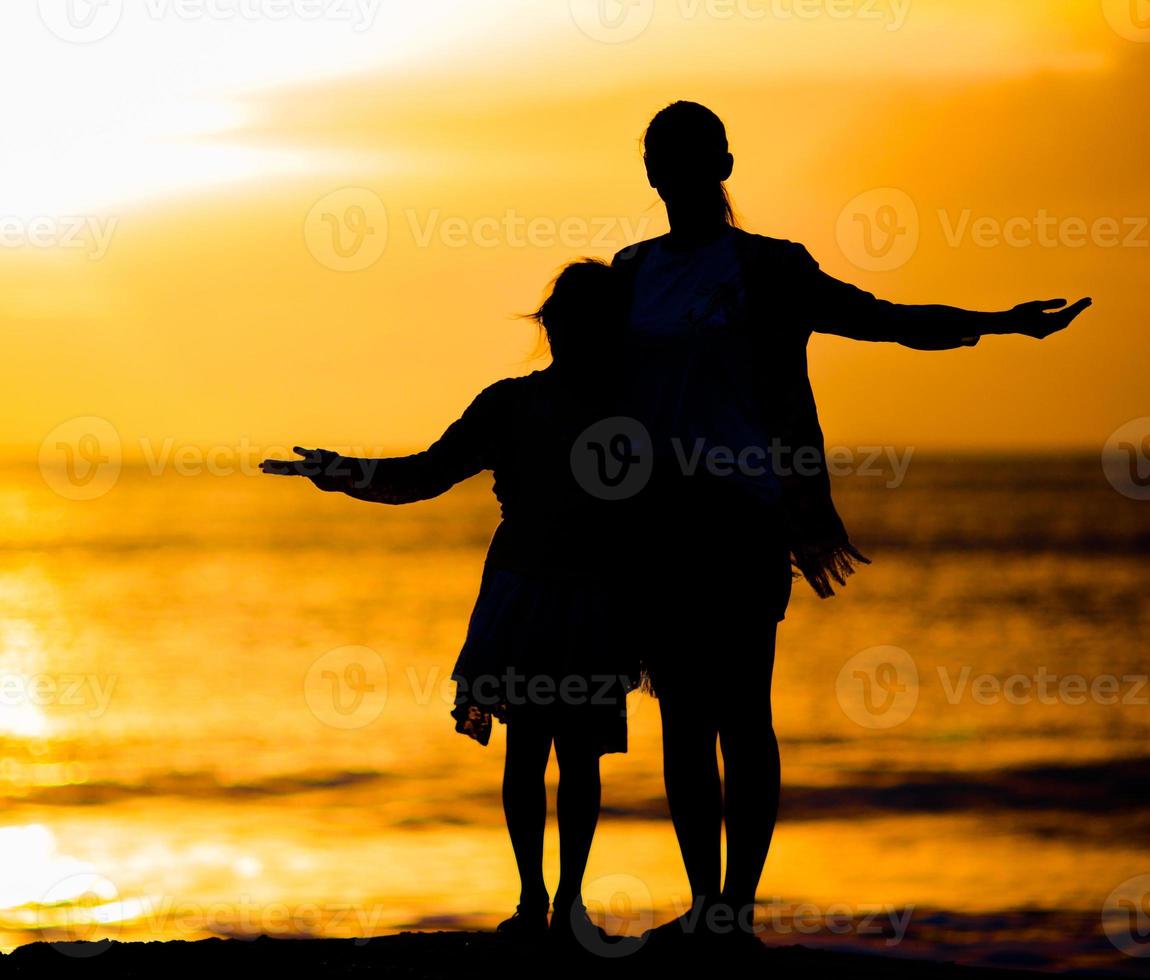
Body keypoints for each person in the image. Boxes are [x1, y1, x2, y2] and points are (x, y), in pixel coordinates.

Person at [615, 100, 1092, 950]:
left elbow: (884, 319)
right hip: (658, 524)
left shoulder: (768, 268)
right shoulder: (629, 272)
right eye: (666, 158)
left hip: (745, 517)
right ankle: (703, 910)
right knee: (682, 718)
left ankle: (735, 912)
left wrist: (998, 322)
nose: (681, 172)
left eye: (695, 157)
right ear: (651, 172)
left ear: (722, 166)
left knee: (740, 713)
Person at [262, 260, 643, 949]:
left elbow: (422, 476)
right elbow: (423, 475)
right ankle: (558, 907)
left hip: (542, 593)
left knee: (539, 749)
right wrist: (342, 473)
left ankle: (547, 906)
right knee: (565, 754)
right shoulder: (619, 409)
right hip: (574, 594)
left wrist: (342, 473)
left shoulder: (529, 405)